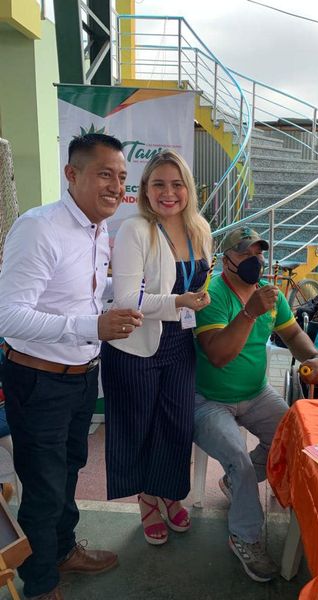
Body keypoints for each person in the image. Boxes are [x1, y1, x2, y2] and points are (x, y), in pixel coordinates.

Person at [0, 133, 143, 600]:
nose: (115, 186)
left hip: (82, 375)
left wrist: (134, 297)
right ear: (72, 174)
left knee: (68, 471)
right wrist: (91, 325)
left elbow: (81, 294)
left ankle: (62, 551)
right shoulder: (39, 228)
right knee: (43, 486)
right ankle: (41, 584)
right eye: (104, 174)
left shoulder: (99, 231)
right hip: (38, 378)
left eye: (121, 177)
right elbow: (8, 315)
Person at [193, 226, 318, 582]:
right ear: (226, 260)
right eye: (245, 253)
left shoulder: (270, 295)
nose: (256, 260)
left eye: (259, 253)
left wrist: (314, 357)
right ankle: (245, 536)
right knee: (239, 459)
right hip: (209, 399)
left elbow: (293, 334)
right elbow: (218, 356)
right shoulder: (212, 295)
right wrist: (249, 313)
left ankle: (237, 483)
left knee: (295, 436)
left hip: (256, 393)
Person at [101, 150, 212, 546]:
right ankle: (147, 499)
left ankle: (167, 491)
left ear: (188, 189)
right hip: (136, 347)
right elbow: (126, 300)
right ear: (145, 189)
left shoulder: (200, 229)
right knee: (139, 427)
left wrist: (198, 300)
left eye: (177, 184)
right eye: (159, 184)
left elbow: (202, 279)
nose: (169, 193)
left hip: (180, 343)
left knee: (176, 424)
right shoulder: (134, 229)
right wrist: (179, 302)